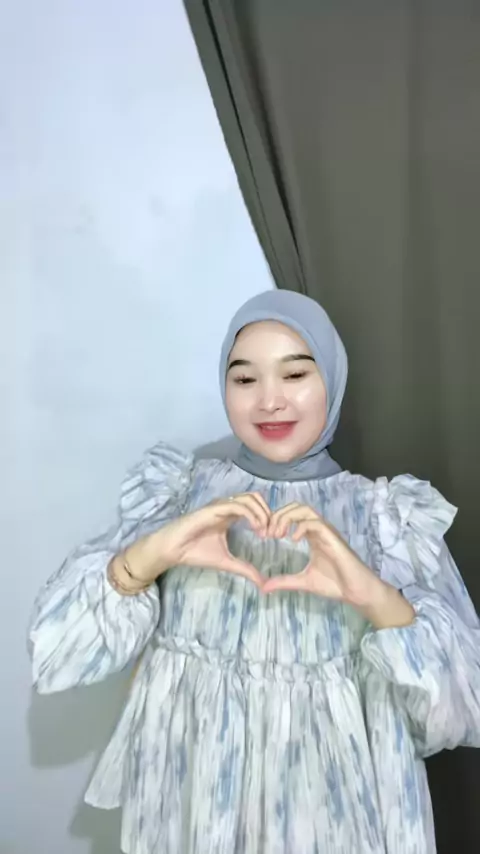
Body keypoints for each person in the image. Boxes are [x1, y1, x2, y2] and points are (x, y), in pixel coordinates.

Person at [29, 290, 480, 854]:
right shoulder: (178, 495)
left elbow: (461, 710)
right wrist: (149, 556)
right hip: (194, 814)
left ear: (332, 379)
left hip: (338, 821)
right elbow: (57, 657)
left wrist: (371, 594)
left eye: (295, 374)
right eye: (244, 379)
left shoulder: (385, 519)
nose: (269, 401)